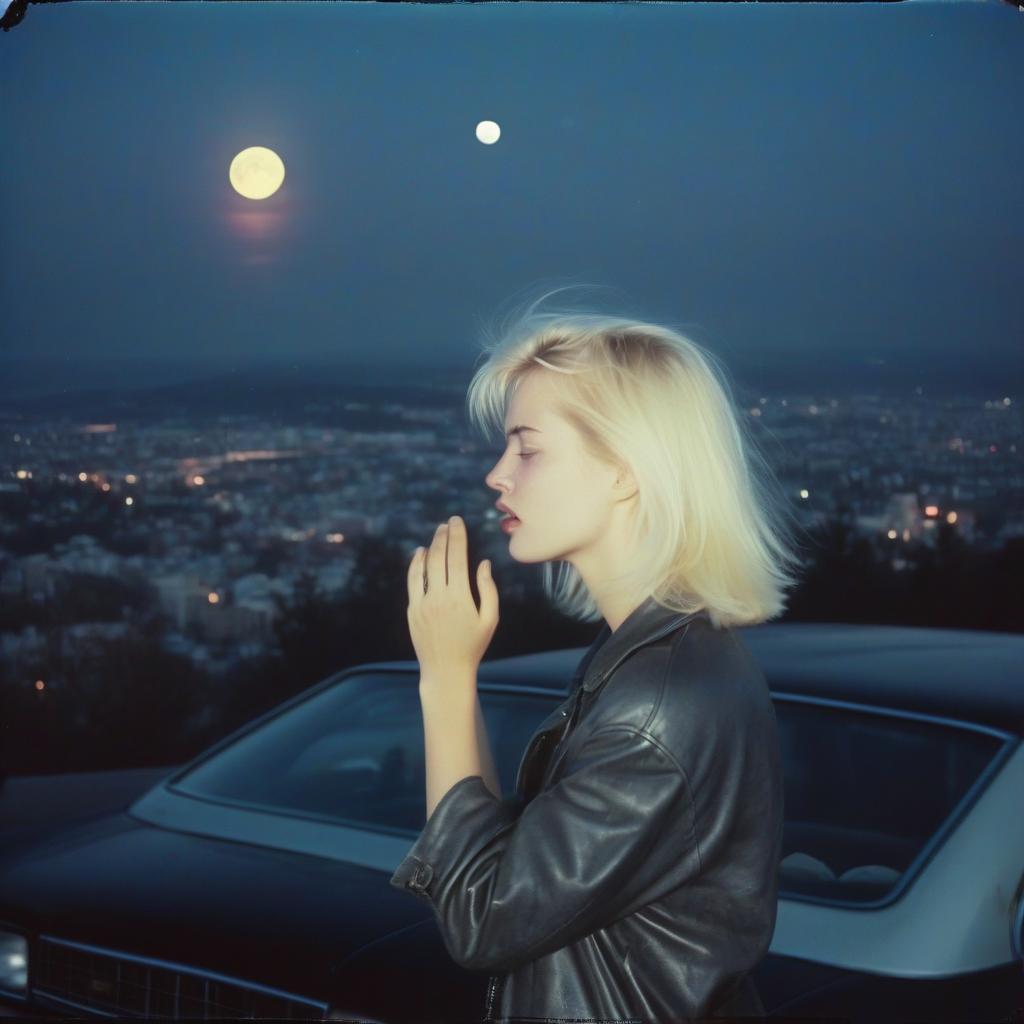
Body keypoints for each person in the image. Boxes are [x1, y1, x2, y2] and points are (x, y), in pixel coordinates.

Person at [390, 287, 807, 1023]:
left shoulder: (660, 699)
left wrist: (447, 677)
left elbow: (484, 919)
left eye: (528, 446)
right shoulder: (655, 661)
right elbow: (501, 861)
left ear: (624, 468)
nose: (498, 473)